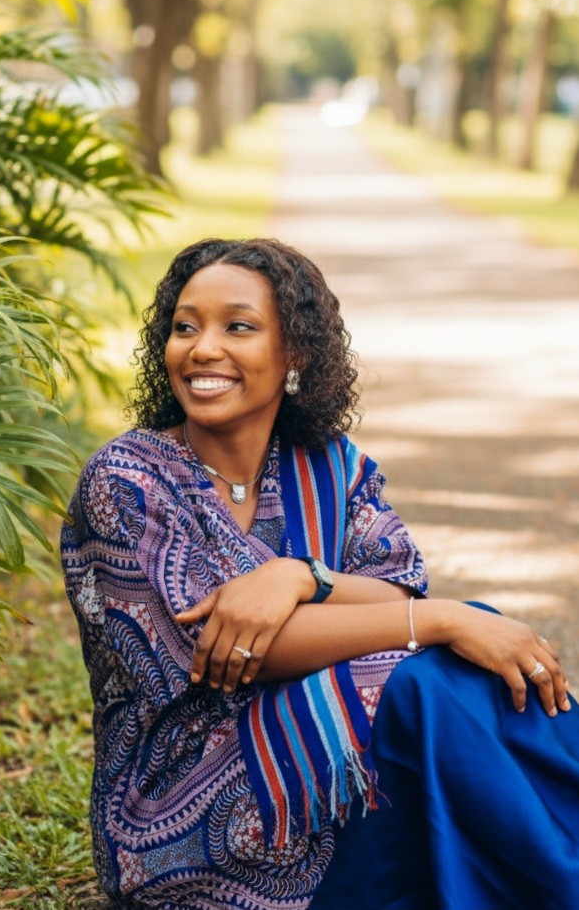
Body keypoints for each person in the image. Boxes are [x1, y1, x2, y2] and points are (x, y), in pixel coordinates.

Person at [61, 237, 579, 910]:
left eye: (238, 326)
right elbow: (234, 649)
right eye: (185, 326)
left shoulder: (328, 466)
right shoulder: (126, 481)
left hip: (330, 774)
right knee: (427, 672)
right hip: (190, 811)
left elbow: (393, 585)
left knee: (452, 670)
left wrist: (302, 575)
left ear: (295, 353)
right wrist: (451, 618)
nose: (203, 348)